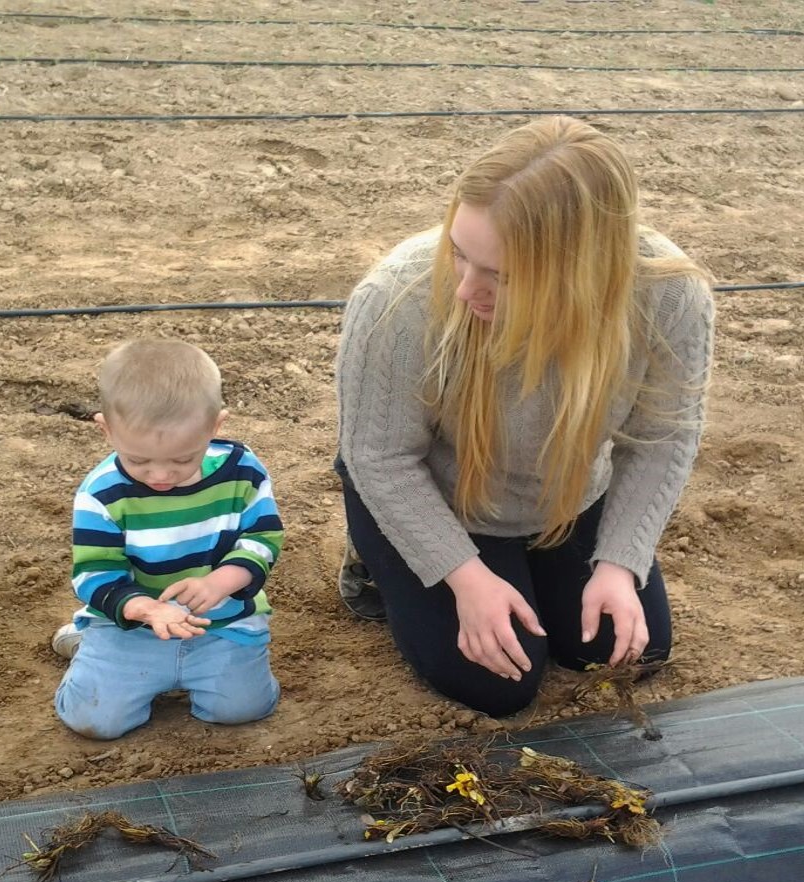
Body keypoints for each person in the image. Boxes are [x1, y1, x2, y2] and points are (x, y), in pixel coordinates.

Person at [336, 116, 714, 718]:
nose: (465, 290)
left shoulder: (667, 294)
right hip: (438, 494)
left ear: (582, 271)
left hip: (563, 498)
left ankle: (537, 565)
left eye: (501, 276)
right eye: (459, 254)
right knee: (498, 685)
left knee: (628, 653)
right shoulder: (396, 299)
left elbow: (663, 440)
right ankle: (376, 560)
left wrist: (620, 563)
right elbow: (379, 456)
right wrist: (465, 577)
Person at [52, 339, 284, 739]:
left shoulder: (243, 472)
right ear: (106, 429)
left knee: (243, 709)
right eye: (138, 460)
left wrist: (220, 582)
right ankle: (86, 642)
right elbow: (94, 573)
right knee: (96, 722)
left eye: (182, 459)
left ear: (215, 426)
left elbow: (262, 537)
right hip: (133, 628)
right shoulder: (101, 493)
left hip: (221, 623)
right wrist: (145, 609)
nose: (160, 476)